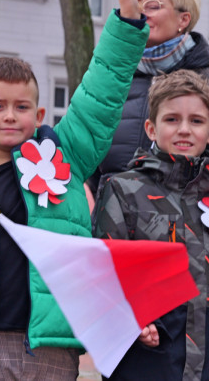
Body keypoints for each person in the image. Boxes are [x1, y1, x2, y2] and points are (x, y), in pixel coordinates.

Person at [0, 0, 149, 381]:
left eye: (22, 107)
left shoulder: (65, 156)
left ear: (40, 114)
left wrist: (127, 22)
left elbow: (100, 95)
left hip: (50, 348)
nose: (10, 116)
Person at [92, 69, 209, 380]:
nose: (184, 130)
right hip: (150, 353)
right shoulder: (123, 189)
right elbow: (104, 274)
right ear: (151, 129)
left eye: (197, 121)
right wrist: (133, 319)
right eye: (172, 119)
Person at [98, 0, 209, 187]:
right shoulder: (114, 76)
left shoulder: (205, 80)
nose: (142, 13)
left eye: (153, 6)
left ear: (183, 19)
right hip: (111, 205)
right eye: (138, 5)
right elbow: (87, 152)